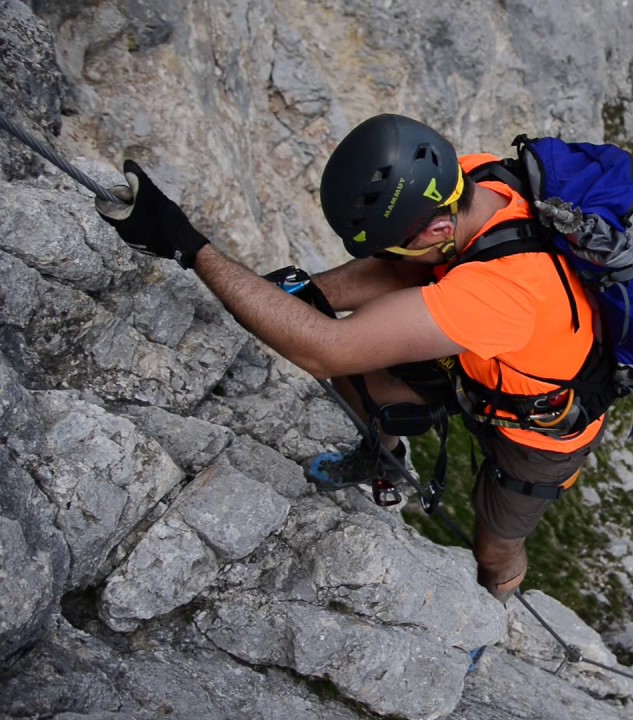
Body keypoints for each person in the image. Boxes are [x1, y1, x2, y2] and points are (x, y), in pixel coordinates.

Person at [96, 114, 606, 602]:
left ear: (435, 231)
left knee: (496, 546)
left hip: (536, 429)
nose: (388, 254)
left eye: (393, 245)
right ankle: (382, 458)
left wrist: (187, 245)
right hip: (482, 357)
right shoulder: (471, 179)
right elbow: (402, 271)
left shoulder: (504, 293)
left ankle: (492, 609)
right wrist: (307, 293)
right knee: (360, 373)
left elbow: (324, 350)